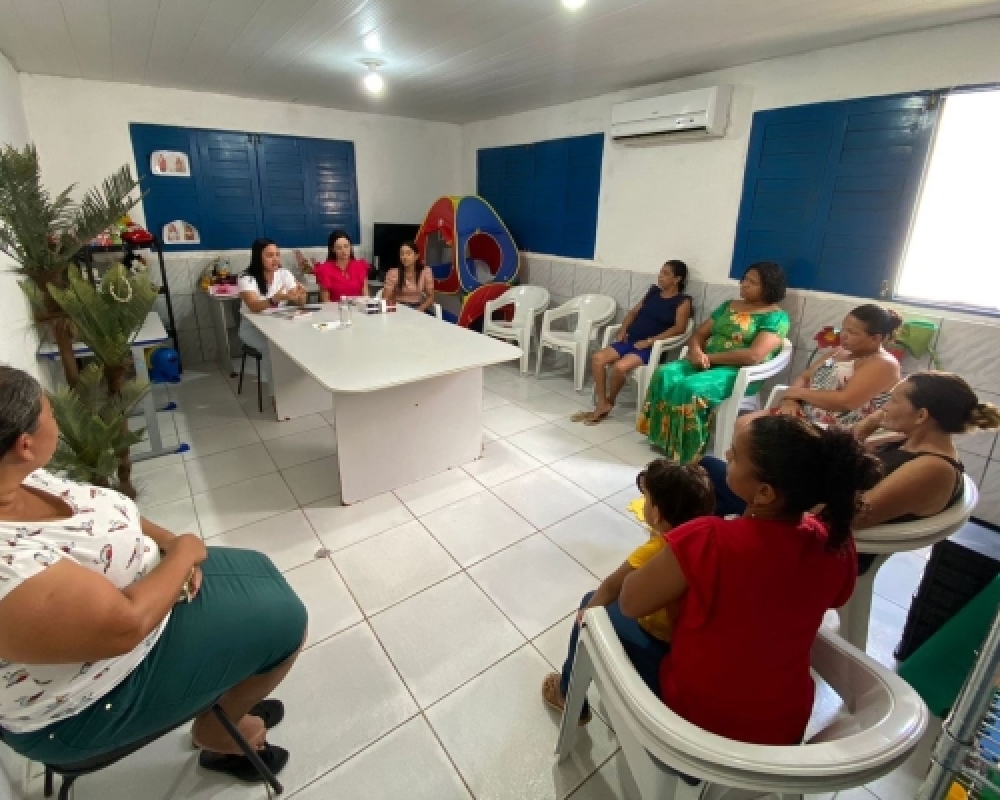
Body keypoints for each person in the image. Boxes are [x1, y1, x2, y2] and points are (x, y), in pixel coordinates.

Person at [0, 366, 307, 781]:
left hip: (148, 589)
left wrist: (165, 540)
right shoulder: (7, 566)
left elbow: (94, 513)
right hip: (87, 699)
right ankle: (218, 732)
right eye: (50, 413)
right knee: (289, 622)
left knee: (263, 571)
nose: (56, 417)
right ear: (25, 444)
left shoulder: (18, 476)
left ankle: (230, 693)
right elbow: (125, 627)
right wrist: (181, 555)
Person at [618, 415, 878, 745]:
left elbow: (630, 601)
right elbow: (835, 597)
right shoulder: (834, 541)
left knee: (598, 609)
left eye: (736, 455)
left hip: (699, 723)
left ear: (766, 492)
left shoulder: (707, 539)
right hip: (783, 724)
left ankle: (570, 689)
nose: (726, 455)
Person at [541, 459, 715, 723]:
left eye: (646, 499)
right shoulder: (710, 538)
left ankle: (567, 692)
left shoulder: (657, 551)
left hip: (661, 646)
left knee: (590, 605)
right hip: (695, 643)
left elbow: (612, 586)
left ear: (657, 514)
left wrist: (587, 615)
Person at [702, 371, 1000, 525]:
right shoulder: (907, 441)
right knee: (718, 471)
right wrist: (866, 427)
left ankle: (704, 552)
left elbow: (855, 516)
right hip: (812, 505)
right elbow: (842, 454)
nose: (886, 406)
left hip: (825, 535)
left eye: (895, 400)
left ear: (922, 416)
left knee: (711, 474)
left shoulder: (933, 469)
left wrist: (785, 495)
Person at [637, 261, 791, 463]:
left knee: (691, 387)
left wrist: (709, 358)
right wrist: (696, 351)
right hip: (705, 360)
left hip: (739, 371)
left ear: (769, 287)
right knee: (664, 373)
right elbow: (699, 333)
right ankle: (665, 439)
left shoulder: (777, 318)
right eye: (744, 279)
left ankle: (689, 452)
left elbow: (754, 355)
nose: (744, 284)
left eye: (752, 282)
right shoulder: (728, 306)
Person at [742, 304, 902, 429]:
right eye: (844, 328)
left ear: (876, 338)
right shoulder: (839, 353)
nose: (843, 335)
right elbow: (805, 376)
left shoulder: (883, 364)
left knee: (757, 438)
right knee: (744, 424)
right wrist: (791, 400)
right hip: (803, 414)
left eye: (852, 333)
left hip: (835, 430)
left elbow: (845, 401)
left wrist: (798, 393)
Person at [572, 260, 693, 425]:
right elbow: (633, 312)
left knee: (620, 367)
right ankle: (602, 403)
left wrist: (650, 341)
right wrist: (622, 330)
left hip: (649, 348)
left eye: (665, 274)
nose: (660, 276)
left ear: (677, 279)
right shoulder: (653, 293)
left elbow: (679, 328)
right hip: (630, 340)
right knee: (598, 358)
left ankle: (610, 401)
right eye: (660, 272)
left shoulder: (682, 301)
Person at [237, 238, 306, 403]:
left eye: (277, 255)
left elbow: (300, 302)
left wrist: (301, 294)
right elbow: (253, 306)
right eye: (270, 255)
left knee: (302, 341)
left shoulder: (284, 273)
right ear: (258, 257)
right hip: (252, 328)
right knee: (272, 348)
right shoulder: (246, 277)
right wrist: (274, 299)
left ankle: (297, 388)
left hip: (279, 324)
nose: (275, 259)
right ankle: (277, 397)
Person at [314, 229, 369, 302]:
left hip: (358, 311)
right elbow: (326, 301)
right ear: (333, 249)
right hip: (334, 311)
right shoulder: (325, 270)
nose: (344, 251)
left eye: (346, 246)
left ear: (350, 247)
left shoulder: (360, 266)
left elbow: (366, 298)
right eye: (339, 248)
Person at [383, 241, 435, 313]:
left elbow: (430, 296)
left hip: (417, 308)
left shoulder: (425, 271)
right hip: (398, 308)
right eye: (402, 254)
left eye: (408, 253)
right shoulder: (393, 273)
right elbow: (385, 297)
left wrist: (421, 309)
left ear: (416, 256)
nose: (404, 257)